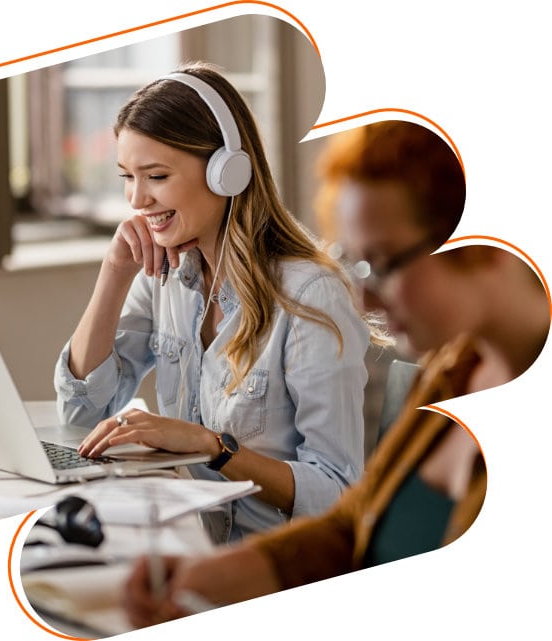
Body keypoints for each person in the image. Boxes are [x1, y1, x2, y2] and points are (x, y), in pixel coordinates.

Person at [121, 120, 550, 626]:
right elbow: (355, 525)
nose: (364, 298)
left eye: (385, 262)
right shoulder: (454, 370)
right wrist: (208, 576)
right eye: (358, 263)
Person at [54, 62, 382, 543]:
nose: (137, 199)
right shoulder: (164, 277)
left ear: (227, 172)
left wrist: (214, 448)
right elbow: (82, 412)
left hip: (269, 562)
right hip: (186, 544)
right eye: (128, 176)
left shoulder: (310, 297)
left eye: (157, 176)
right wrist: (115, 272)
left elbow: (337, 491)